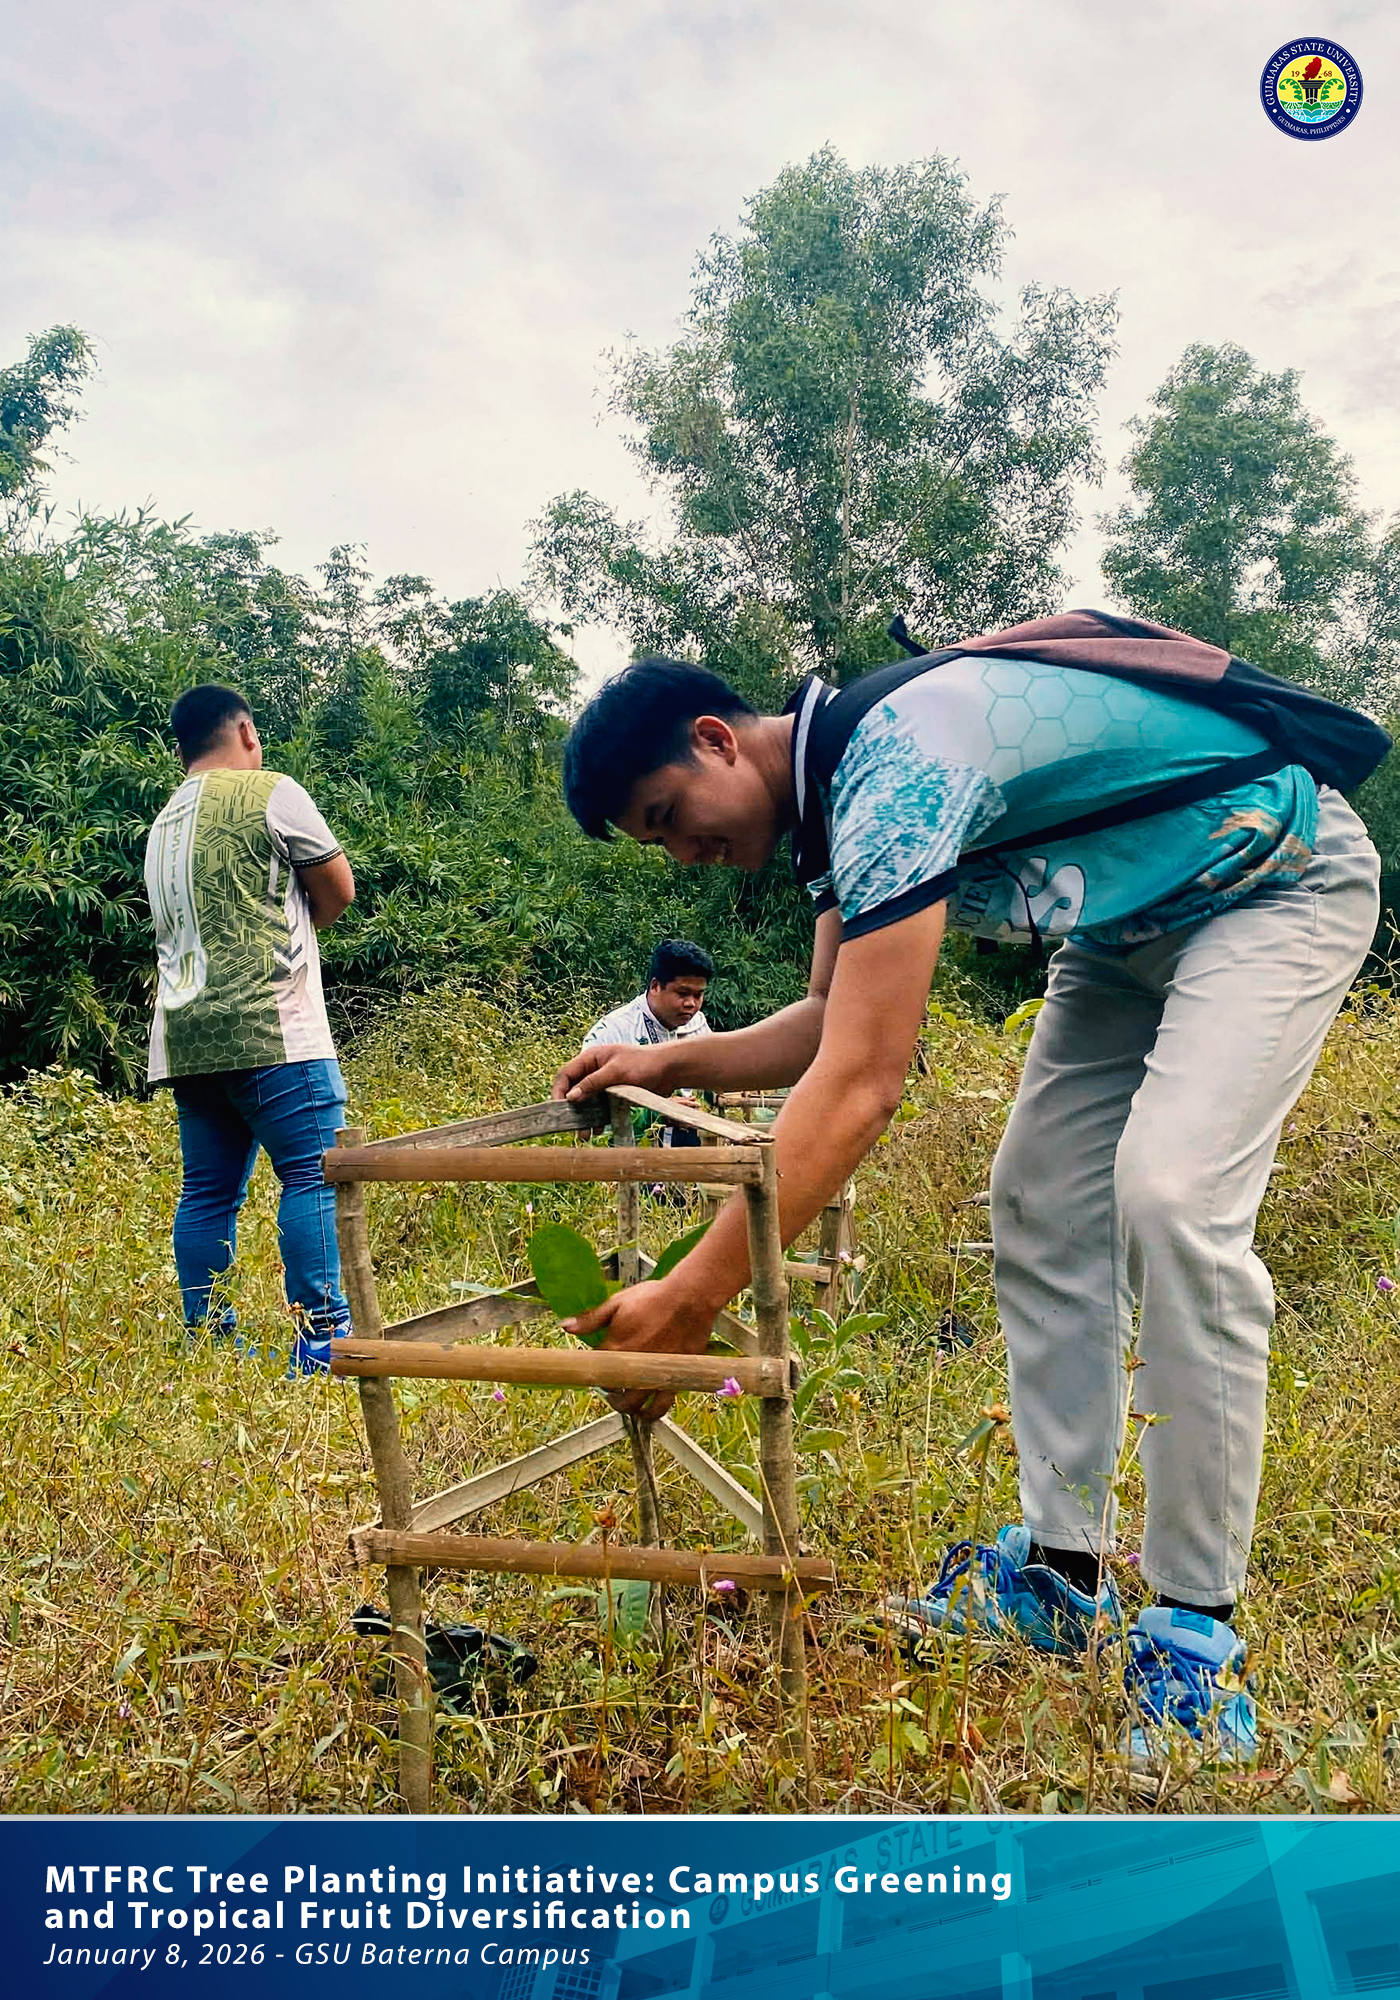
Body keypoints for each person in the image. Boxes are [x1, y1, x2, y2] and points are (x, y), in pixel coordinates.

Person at [549, 626, 1382, 1764]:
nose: (681, 853)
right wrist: (664, 1060)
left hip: (1271, 878)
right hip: (1123, 930)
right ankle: (1062, 1570)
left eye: (663, 816)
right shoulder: (840, 804)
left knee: (1171, 1198)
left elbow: (861, 1081)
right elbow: (826, 1023)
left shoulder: (894, 763)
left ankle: (1193, 1632)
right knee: (1038, 1204)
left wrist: (694, 1297)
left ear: (713, 740)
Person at [144, 684, 357, 1375]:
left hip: (185, 1040)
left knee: (206, 1192)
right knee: (314, 1177)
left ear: (181, 748)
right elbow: (338, 890)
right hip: (275, 1031)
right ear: (244, 730)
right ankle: (323, 1344)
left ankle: (206, 1338)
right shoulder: (272, 791)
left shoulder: (162, 823)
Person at [581, 939, 714, 1159]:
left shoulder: (697, 1024)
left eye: (698, 995)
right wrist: (658, 1111)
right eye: (682, 994)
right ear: (655, 986)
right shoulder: (613, 1031)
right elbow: (591, 1112)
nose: (691, 1003)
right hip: (628, 1157)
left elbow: (710, 1081)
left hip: (687, 1150)